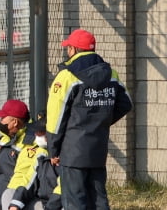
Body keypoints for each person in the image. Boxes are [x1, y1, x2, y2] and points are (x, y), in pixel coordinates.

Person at [44, 29, 131, 210]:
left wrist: (54, 149)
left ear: (74, 50)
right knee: (98, 201)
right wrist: (100, 120)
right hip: (98, 150)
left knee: (75, 202)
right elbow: (125, 103)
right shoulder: (111, 74)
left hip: (72, 151)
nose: (67, 51)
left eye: (68, 48)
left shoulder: (67, 76)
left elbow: (55, 118)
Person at [6, 117, 62, 210]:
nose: (36, 136)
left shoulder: (66, 155)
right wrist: (15, 204)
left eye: (40, 133)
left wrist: (50, 207)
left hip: (61, 204)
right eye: (36, 133)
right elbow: (30, 179)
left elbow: (64, 188)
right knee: (10, 197)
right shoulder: (42, 153)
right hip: (43, 202)